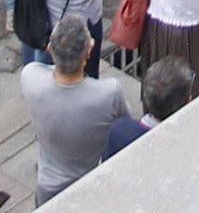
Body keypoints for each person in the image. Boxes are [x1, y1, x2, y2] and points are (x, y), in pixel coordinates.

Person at [15, 15, 142, 199]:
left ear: (50, 49)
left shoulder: (30, 76)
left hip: (48, 188)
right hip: (92, 186)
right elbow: (125, 124)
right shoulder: (108, 92)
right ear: (87, 53)